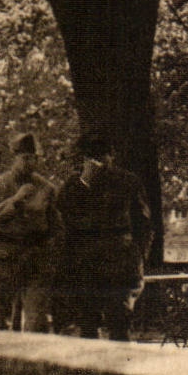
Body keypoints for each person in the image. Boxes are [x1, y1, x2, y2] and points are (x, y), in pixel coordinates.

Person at [54, 132, 151, 341]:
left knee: (119, 323)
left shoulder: (127, 182)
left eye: (103, 156)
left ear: (112, 156)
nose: (99, 162)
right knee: (88, 324)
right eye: (92, 157)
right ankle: (91, 373)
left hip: (119, 262)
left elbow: (143, 224)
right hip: (86, 264)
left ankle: (120, 372)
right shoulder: (75, 185)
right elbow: (63, 219)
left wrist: (138, 255)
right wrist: (84, 183)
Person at [0, 132, 61, 331]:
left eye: (34, 158)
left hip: (34, 261)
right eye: (24, 158)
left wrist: (50, 256)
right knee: (1, 325)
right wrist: (14, 202)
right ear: (14, 158)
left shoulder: (46, 189)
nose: (29, 163)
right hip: (2, 261)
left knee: (36, 323)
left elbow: (56, 228)